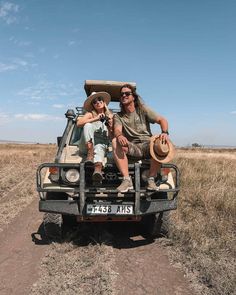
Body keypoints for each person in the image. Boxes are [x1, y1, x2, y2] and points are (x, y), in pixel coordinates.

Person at [112, 84, 171, 192]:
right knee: (115, 141)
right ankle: (126, 180)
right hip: (133, 147)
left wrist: (165, 132)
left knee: (161, 142)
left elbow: (162, 120)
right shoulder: (118, 116)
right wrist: (120, 135)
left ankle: (151, 179)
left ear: (133, 97)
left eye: (127, 93)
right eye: (121, 94)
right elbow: (117, 130)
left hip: (148, 145)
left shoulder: (143, 110)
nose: (124, 95)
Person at [77, 91, 113, 183]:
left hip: (101, 144)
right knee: (88, 125)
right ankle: (90, 153)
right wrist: (96, 118)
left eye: (100, 99)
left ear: (104, 102)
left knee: (100, 147)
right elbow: (79, 123)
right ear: (93, 105)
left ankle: (97, 171)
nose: (97, 102)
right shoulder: (90, 114)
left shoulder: (111, 115)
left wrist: (109, 124)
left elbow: (112, 136)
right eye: (94, 101)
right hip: (86, 147)